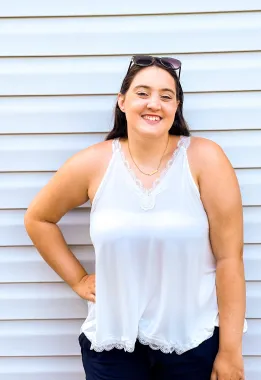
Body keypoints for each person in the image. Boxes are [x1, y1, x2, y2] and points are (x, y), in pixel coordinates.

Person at [24, 55, 246, 380]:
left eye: (166, 96)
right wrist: (77, 278)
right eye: (142, 93)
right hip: (112, 343)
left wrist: (230, 351)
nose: (153, 103)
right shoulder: (94, 164)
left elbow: (230, 259)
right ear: (122, 101)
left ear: (176, 107)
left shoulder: (206, 159)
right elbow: (38, 218)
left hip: (191, 341)